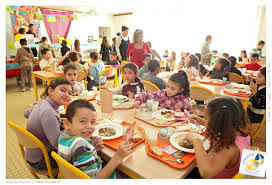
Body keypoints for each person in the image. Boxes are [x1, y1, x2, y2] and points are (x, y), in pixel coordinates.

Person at [58, 99, 131, 179]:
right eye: (83, 121)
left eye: (92, 122)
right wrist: (118, 156)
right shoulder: (80, 146)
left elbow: (76, 157)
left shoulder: (63, 137)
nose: (90, 126)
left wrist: (92, 149)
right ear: (67, 123)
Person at [185, 97, 250, 179]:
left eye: (206, 118)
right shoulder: (241, 132)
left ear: (218, 123)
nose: (205, 120)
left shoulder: (229, 148)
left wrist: (196, 140)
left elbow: (206, 173)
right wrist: (203, 122)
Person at [24, 78, 73, 170]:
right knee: (80, 154)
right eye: (62, 90)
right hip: (42, 159)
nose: (67, 95)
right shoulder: (48, 112)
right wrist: (70, 127)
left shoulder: (43, 102)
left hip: (32, 154)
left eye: (70, 93)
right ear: (50, 90)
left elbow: (26, 113)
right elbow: (57, 144)